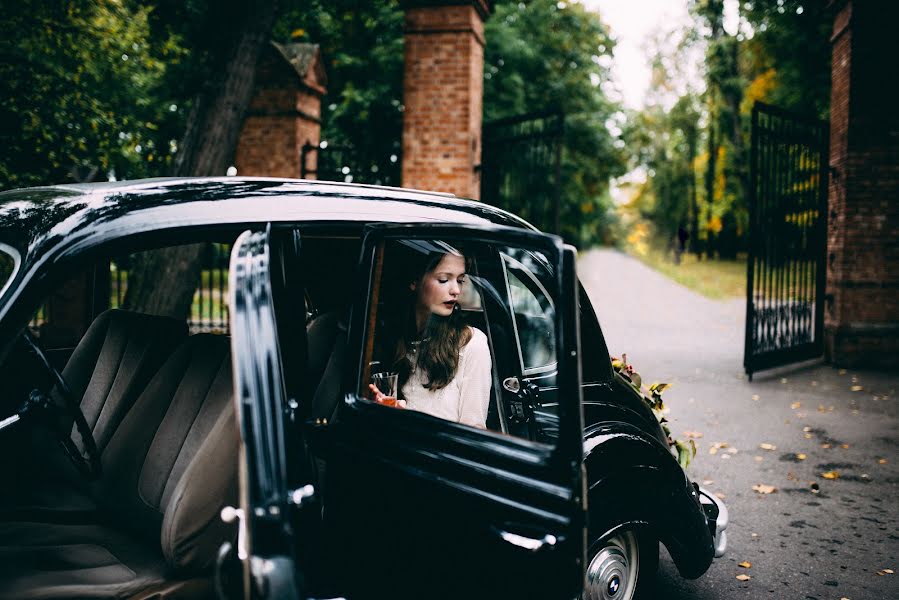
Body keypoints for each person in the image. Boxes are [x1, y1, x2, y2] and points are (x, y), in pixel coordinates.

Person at [368, 243, 492, 428]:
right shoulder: (390, 337)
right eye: (444, 279)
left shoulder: (472, 344)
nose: (456, 290)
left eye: (460, 280)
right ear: (414, 282)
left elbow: (474, 432)